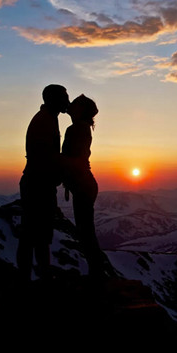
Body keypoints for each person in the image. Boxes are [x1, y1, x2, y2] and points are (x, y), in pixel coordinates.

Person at [17, 84, 70, 282]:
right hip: (38, 184)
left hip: (38, 182)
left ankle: (34, 279)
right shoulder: (45, 121)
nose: (68, 101)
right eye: (64, 97)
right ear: (54, 99)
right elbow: (44, 157)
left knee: (35, 234)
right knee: (34, 235)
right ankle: (34, 280)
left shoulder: (48, 119)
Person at [61, 94, 112, 280]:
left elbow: (76, 159)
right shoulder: (80, 128)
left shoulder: (76, 129)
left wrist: (55, 159)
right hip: (84, 184)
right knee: (85, 232)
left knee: (86, 233)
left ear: (81, 109)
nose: (71, 105)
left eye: (74, 104)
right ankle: (97, 274)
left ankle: (97, 276)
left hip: (82, 185)